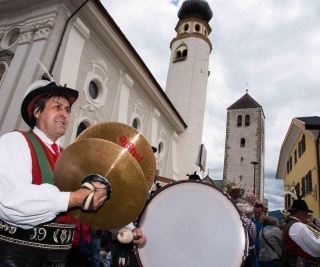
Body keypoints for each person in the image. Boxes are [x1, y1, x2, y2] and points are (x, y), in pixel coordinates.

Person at [0, 79, 108, 266]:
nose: (64, 114)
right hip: (18, 256)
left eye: (67, 110)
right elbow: (11, 200)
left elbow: (86, 207)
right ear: (36, 112)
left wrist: (127, 227)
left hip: (60, 258)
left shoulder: (71, 158)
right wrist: (72, 198)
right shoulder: (15, 141)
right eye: (57, 106)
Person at [282, 197, 320, 266]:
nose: (307, 217)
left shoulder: (290, 224)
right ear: (300, 213)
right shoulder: (298, 226)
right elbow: (316, 247)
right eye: (307, 214)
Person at [236, 203, 257, 267]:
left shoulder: (234, 221)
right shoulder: (251, 223)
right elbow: (253, 237)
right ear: (244, 211)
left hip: (236, 251)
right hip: (249, 252)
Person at [252, 203, 264, 267]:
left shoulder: (265, 223)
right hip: (254, 251)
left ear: (262, 212)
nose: (257, 214)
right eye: (255, 212)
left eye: (259, 213)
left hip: (263, 251)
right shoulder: (251, 223)